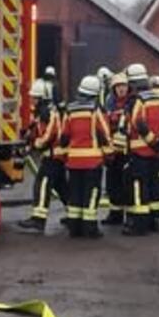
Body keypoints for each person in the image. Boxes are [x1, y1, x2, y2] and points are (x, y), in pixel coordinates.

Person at [60, 75, 112, 238]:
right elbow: (104, 134)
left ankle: (74, 227)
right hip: (92, 161)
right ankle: (90, 228)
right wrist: (109, 154)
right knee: (91, 194)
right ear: (96, 93)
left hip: (73, 161)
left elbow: (64, 136)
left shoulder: (70, 109)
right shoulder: (95, 109)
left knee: (75, 194)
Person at [125, 63, 159, 235]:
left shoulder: (138, 100)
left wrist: (151, 141)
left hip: (140, 153)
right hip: (156, 153)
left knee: (139, 187)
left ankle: (139, 224)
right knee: (154, 186)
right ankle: (154, 220)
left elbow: (138, 122)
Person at [18, 79, 67, 233]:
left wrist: (35, 145)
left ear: (42, 98)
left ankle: (38, 220)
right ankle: (74, 215)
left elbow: (50, 134)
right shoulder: (41, 113)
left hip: (53, 156)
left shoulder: (49, 112)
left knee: (42, 184)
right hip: (53, 157)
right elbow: (34, 130)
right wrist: (26, 139)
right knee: (62, 188)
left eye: (34, 97)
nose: (32, 100)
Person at [101, 71, 133, 226]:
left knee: (127, 184)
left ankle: (131, 216)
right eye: (118, 86)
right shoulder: (109, 101)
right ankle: (115, 214)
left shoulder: (132, 102)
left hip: (128, 151)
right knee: (112, 184)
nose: (121, 89)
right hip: (113, 151)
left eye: (123, 86)